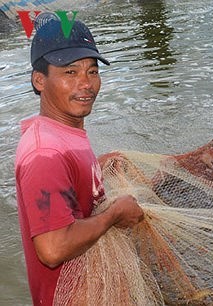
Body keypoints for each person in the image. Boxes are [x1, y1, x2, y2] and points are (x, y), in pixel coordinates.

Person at [14, 13, 144, 305]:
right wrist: (114, 214)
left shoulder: (60, 133)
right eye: (70, 73)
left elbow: (67, 194)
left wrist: (95, 169)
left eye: (92, 71)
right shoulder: (44, 154)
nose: (85, 84)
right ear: (39, 80)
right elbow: (53, 248)